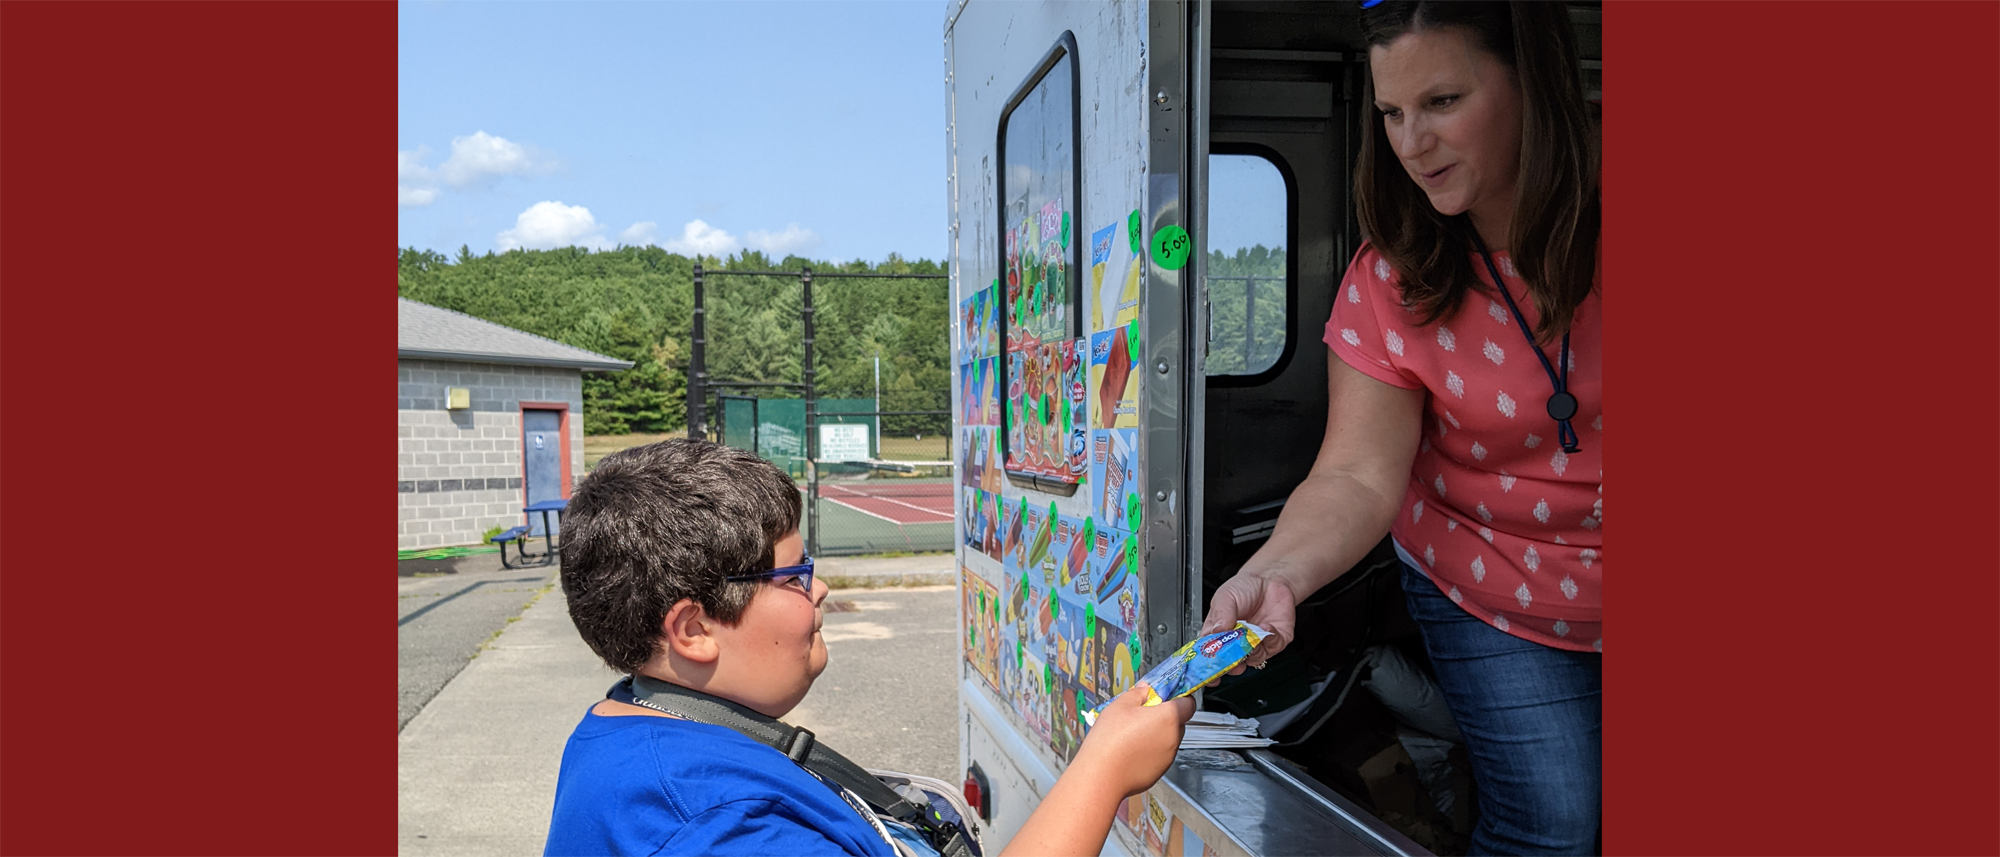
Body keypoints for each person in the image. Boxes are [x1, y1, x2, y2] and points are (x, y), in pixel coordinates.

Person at [1199, 2, 1601, 854]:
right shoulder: (1388, 278)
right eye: (1391, 112)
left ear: (1534, 83)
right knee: (1556, 825)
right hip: (1491, 587)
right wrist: (1271, 575)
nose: (1411, 141)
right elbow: (1355, 475)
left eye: (1443, 102)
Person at [546, 438, 1193, 857]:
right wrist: (1104, 768)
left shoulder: (633, 728)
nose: (821, 588)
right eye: (795, 576)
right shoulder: (712, 825)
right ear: (692, 629)